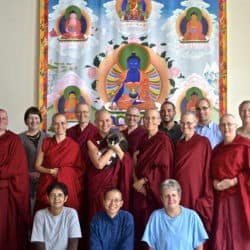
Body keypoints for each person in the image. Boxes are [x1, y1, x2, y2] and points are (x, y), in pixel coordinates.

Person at [84, 110, 133, 249]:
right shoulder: (91, 141)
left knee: (114, 216)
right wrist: (112, 149)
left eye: (107, 121)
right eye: (101, 121)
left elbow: (126, 160)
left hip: (114, 185)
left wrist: (116, 147)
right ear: (95, 123)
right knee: (98, 216)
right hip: (97, 186)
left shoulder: (118, 137)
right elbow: (99, 164)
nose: (104, 124)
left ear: (111, 122)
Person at [132, 108, 174, 250]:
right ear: (143, 121)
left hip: (153, 190)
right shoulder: (143, 139)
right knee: (140, 224)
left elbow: (164, 166)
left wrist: (144, 181)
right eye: (147, 118)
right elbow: (138, 162)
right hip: (139, 189)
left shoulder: (163, 140)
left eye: (153, 118)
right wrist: (137, 181)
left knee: (153, 224)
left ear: (159, 120)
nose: (150, 121)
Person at [211, 114, 250, 249]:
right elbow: (211, 173)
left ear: (235, 126)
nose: (226, 127)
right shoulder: (216, 150)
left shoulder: (245, 146)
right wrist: (214, 182)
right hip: (220, 199)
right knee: (222, 234)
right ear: (219, 128)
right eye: (223, 125)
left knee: (238, 234)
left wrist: (234, 181)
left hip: (239, 197)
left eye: (229, 124)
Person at [35, 113, 84, 212]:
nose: (59, 126)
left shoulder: (74, 146)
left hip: (67, 186)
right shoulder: (46, 142)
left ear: (66, 125)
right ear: (52, 125)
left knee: (67, 213)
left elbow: (79, 169)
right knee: (46, 212)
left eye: (62, 123)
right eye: (56, 123)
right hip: (47, 184)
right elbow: (37, 166)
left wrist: (63, 173)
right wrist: (51, 171)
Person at [174, 112, 213, 234]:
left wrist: (206, 193)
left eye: (189, 123)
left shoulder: (203, 142)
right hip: (180, 189)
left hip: (196, 189)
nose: (185, 126)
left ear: (195, 123)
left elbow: (208, 168)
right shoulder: (178, 144)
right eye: (183, 123)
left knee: (195, 224)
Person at [142, 179, 208, 250]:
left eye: (174, 195)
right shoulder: (155, 217)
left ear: (179, 197)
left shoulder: (192, 217)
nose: (171, 199)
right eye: (167, 196)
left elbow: (199, 247)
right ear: (161, 199)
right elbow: (151, 247)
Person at [0, 109, 30, 250]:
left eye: (4, 117)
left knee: (6, 225)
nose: (2, 120)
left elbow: (15, 167)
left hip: (7, 190)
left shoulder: (13, 140)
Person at [31, 182, 82, 250]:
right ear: (47, 198)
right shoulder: (40, 215)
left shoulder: (71, 214)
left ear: (65, 198)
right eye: (53, 195)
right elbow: (39, 243)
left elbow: (73, 242)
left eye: (60, 195)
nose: (56, 198)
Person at [19, 106, 47, 214]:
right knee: (27, 212)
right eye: (30, 118)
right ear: (26, 121)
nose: (34, 121)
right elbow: (16, 163)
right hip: (25, 181)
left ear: (40, 120)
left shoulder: (48, 138)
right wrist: (28, 173)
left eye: (36, 118)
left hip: (43, 181)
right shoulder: (19, 139)